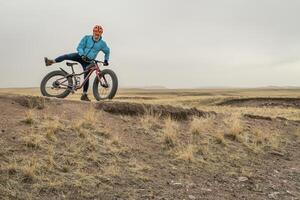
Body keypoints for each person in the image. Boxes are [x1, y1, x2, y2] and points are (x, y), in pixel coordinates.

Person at [44, 25, 110, 101]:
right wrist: (82, 54)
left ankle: (84, 95)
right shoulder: (87, 38)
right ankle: (51, 61)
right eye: (95, 33)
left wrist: (106, 60)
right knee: (67, 56)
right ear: (93, 32)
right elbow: (79, 47)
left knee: (86, 77)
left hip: (89, 61)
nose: (96, 35)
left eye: (98, 34)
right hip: (80, 56)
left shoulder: (102, 44)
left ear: (101, 34)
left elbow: (107, 52)